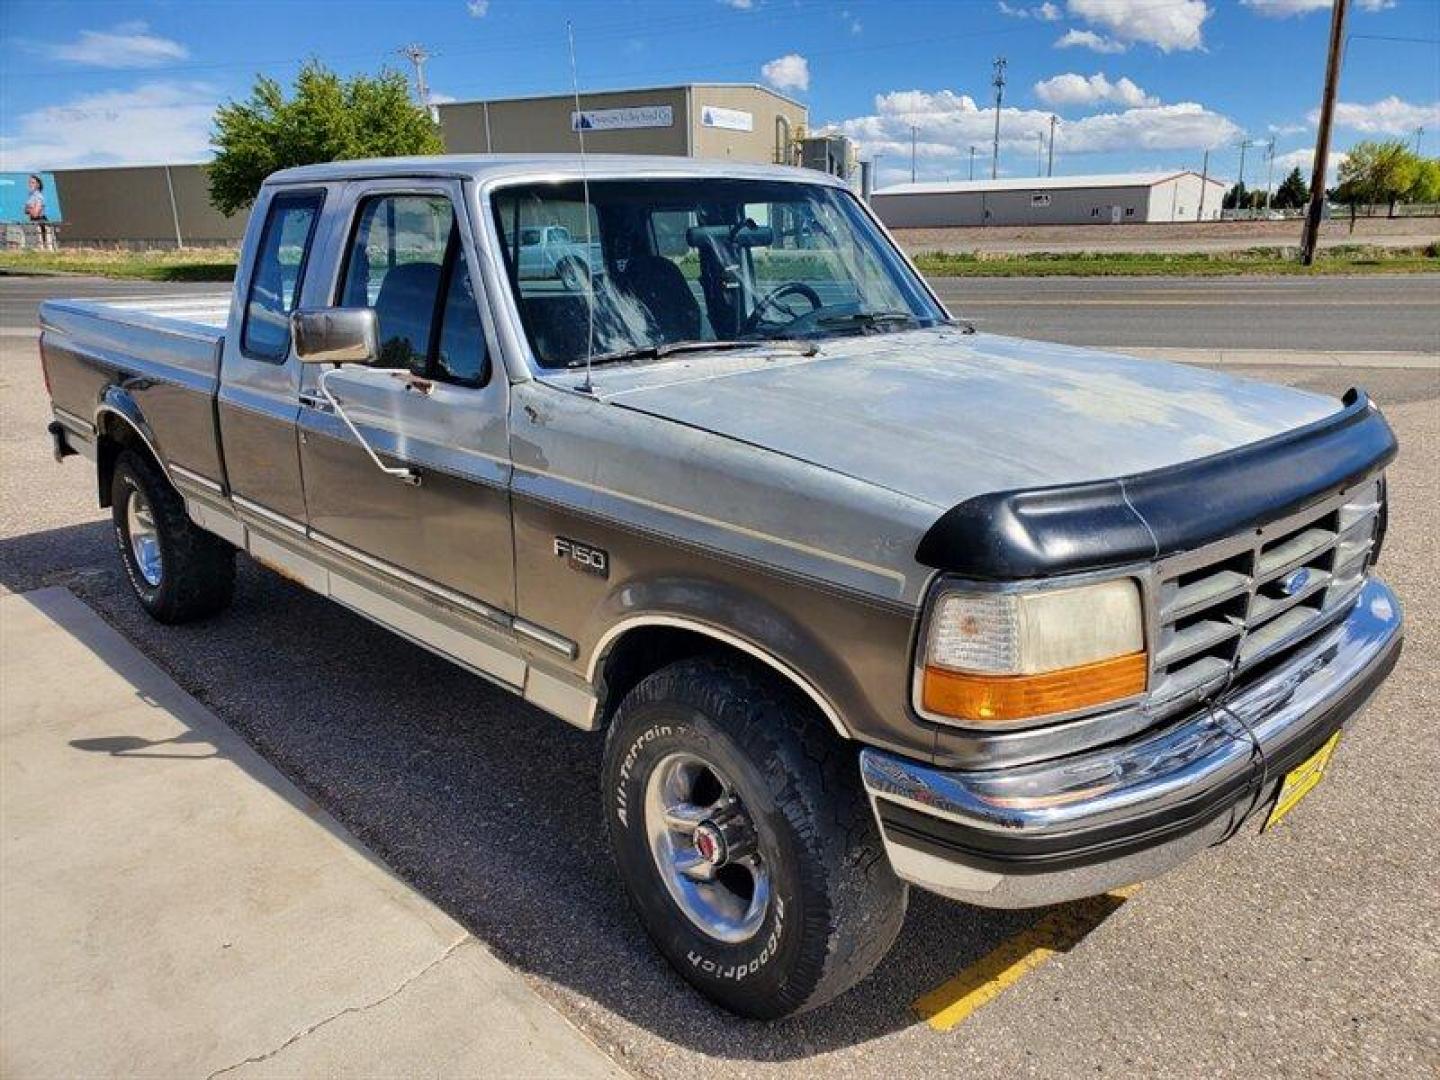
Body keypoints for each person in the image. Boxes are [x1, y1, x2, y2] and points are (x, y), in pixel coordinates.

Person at [24, 175, 55, 251]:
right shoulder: (31, 196)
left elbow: (35, 213)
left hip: (40, 224)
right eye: (29, 182)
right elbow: (25, 211)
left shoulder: (38, 196)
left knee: (44, 249)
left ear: (38, 185)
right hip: (35, 223)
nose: (30, 184)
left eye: (33, 182)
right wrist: (30, 208)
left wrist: (29, 208)